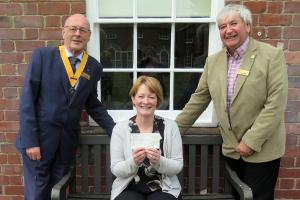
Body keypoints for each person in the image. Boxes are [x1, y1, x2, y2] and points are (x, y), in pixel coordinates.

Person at [175, 4, 288, 200]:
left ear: (248, 26)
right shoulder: (213, 61)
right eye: (222, 26)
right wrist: (172, 130)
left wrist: (251, 141)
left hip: (262, 150)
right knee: (238, 196)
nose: (228, 30)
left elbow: (276, 104)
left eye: (233, 23)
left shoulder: (271, 56)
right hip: (231, 149)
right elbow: (199, 99)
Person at [15, 14, 115, 200]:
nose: (77, 34)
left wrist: (116, 130)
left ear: (89, 36)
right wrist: (31, 141)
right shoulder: (43, 56)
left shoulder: (93, 67)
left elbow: (92, 104)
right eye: (72, 29)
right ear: (63, 32)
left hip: (65, 144)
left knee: (57, 192)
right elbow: (28, 100)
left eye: (83, 30)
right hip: (39, 142)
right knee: (37, 193)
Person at [110, 75, 183, 200]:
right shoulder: (120, 129)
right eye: (141, 96)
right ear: (133, 99)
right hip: (128, 187)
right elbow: (116, 168)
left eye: (151, 97)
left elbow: (177, 166)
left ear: (157, 100)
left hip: (164, 187)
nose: (146, 101)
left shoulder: (171, 127)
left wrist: (159, 161)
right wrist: (133, 162)